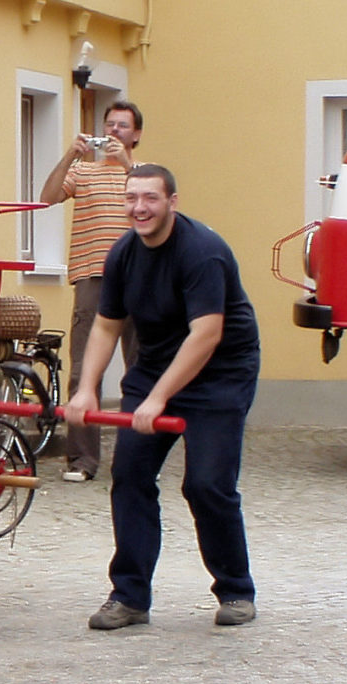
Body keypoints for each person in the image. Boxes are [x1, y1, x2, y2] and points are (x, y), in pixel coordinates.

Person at [65, 164, 260, 631]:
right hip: (154, 366)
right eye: (132, 198)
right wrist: (87, 387)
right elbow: (108, 325)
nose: (139, 208)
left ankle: (236, 590)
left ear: (172, 201)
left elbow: (206, 335)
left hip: (220, 373)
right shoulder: (123, 254)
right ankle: (129, 596)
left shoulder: (202, 252)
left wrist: (157, 398)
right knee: (129, 474)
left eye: (150, 198)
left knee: (207, 485)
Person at [39, 101, 142, 482]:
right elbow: (45, 198)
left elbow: (159, 212)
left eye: (122, 126)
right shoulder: (82, 172)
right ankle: (81, 460)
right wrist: (70, 154)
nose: (114, 132)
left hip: (140, 279)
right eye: (109, 125)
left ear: (136, 135)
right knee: (84, 369)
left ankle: (138, 458)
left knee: (140, 369)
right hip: (92, 276)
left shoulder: (144, 174)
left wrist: (129, 165)